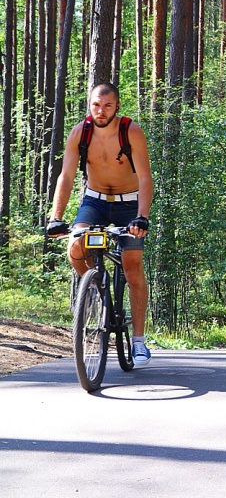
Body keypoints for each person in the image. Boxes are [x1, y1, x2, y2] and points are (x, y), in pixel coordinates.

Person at [46, 82, 153, 368]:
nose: (101, 110)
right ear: (89, 105)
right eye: (96, 104)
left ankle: (139, 342)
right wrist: (56, 217)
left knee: (132, 267)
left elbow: (144, 177)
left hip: (129, 204)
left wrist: (142, 216)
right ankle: (95, 290)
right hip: (94, 202)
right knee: (75, 247)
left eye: (107, 105)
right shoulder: (80, 133)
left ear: (117, 106)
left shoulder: (130, 131)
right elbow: (66, 177)